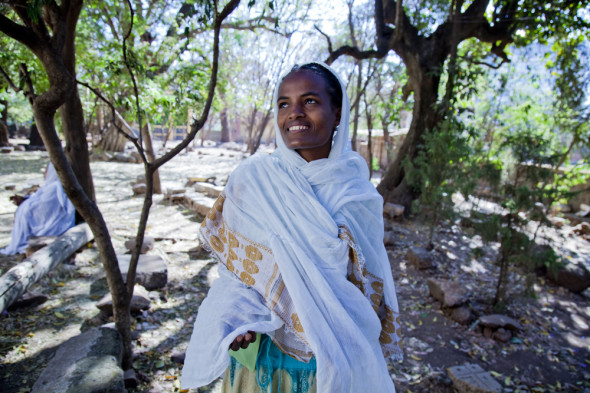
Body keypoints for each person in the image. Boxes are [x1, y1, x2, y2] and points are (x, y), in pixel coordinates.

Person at [181, 62, 402, 392]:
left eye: (309, 101)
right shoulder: (252, 180)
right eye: (284, 104)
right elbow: (236, 274)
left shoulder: (358, 194)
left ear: (338, 112)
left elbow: (367, 289)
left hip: (335, 365)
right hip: (260, 366)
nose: (294, 113)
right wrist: (242, 315)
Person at [1, 162, 76, 255]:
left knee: (25, 212)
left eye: (46, 170)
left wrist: (25, 205)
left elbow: (42, 209)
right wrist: (25, 200)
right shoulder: (50, 185)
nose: (44, 173)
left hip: (55, 227)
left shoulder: (55, 187)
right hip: (54, 222)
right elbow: (39, 201)